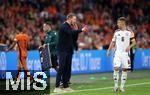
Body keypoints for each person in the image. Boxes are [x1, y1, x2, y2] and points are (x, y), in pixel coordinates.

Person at [54, 13, 88, 92]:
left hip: (69, 51)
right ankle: (57, 87)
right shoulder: (64, 26)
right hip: (62, 51)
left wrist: (76, 31)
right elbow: (70, 33)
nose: (75, 21)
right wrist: (80, 30)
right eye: (74, 19)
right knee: (61, 68)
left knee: (67, 69)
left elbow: (73, 39)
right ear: (69, 18)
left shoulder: (70, 27)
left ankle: (66, 86)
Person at [107, 17, 136, 92]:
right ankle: (116, 86)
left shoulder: (130, 32)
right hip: (117, 53)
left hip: (126, 54)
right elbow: (113, 42)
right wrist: (108, 50)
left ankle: (122, 87)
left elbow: (134, 42)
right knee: (116, 68)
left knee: (124, 69)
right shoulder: (116, 32)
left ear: (123, 23)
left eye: (118, 23)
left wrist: (129, 46)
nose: (117, 24)